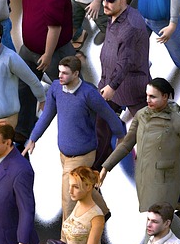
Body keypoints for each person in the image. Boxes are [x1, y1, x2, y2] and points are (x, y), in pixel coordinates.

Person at [102, 78, 180, 244]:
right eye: (147, 96)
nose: (148, 100)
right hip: (145, 176)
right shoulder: (141, 116)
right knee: (162, 218)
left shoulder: (179, 122)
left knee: (153, 219)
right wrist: (107, 166)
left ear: (166, 97)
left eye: (153, 96)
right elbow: (126, 144)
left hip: (166, 179)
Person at [25, 57, 123, 218]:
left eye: (65, 73)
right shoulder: (56, 88)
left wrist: (120, 136)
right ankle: (104, 212)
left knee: (68, 195)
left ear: (76, 74)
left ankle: (65, 240)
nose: (60, 76)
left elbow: (109, 115)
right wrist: (34, 138)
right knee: (84, 184)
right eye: (59, 72)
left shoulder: (89, 94)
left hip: (83, 154)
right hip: (64, 153)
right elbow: (47, 115)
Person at [12, 0, 76, 139]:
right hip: (29, 49)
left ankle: (77, 131)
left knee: (69, 90)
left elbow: (54, 28)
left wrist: (48, 55)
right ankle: (24, 130)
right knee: (24, 88)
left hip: (55, 52)